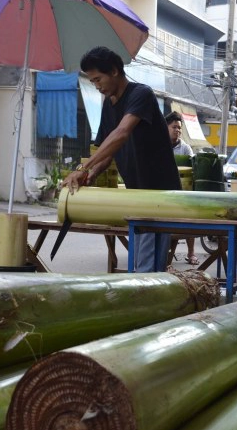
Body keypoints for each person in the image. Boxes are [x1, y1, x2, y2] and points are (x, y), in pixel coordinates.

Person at [62, 47, 181, 272]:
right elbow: (107, 151)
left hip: (158, 193)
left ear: (114, 71)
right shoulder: (109, 104)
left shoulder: (140, 94)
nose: (97, 86)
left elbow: (121, 134)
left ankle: (146, 301)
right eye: (92, 81)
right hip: (136, 193)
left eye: (98, 79)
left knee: (147, 267)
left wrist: (82, 166)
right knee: (139, 263)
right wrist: (91, 174)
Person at [165, 111, 198, 265]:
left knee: (188, 220)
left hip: (183, 191)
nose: (177, 130)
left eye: (179, 128)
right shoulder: (160, 145)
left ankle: (191, 253)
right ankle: (164, 255)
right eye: (174, 127)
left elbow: (192, 168)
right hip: (165, 190)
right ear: (166, 128)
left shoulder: (185, 148)